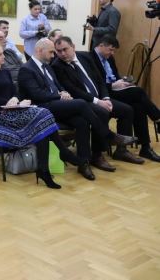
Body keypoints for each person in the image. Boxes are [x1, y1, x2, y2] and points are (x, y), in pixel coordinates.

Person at [17, 38, 135, 180]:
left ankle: (83, 163)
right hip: (42, 108)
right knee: (81, 103)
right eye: (51, 52)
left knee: (81, 122)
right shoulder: (26, 69)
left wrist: (63, 92)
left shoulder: (47, 66)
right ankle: (108, 135)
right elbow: (36, 94)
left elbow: (58, 85)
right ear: (39, 50)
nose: (54, 56)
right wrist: (59, 95)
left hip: (56, 105)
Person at [0, 43, 80, 189]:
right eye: (0, 54)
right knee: (43, 116)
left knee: (43, 118)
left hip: (13, 109)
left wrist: (16, 99)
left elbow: (14, 92)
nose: (4, 57)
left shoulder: (4, 71)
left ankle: (44, 169)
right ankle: (61, 153)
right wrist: (9, 102)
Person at [52, 36, 142, 164]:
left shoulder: (85, 56)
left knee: (127, 110)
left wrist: (106, 97)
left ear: (73, 47)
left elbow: (100, 79)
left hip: (100, 98)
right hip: (83, 102)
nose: (62, 54)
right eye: (58, 51)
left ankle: (122, 151)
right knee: (102, 112)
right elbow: (73, 91)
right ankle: (97, 154)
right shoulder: (57, 66)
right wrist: (98, 101)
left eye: (65, 49)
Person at [90, 35, 160, 162]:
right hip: (103, 95)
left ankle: (145, 148)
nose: (112, 53)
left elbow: (115, 76)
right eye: (110, 50)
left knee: (139, 106)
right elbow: (94, 83)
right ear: (101, 45)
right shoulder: (90, 58)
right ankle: (158, 118)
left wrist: (122, 82)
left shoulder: (109, 58)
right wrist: (112, 85)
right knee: (139, 92)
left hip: (115, 90)